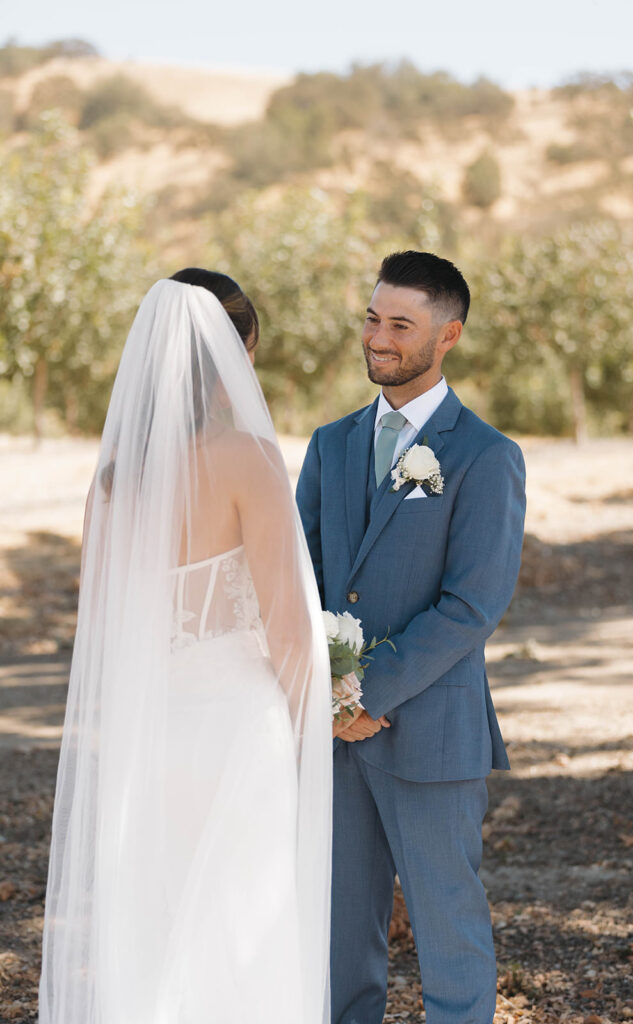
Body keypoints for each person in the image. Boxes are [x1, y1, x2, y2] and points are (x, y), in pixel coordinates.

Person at [39, 269, 332, 1024]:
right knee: (241, 933)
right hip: (239, 731)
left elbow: (104, 628)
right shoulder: (247, 460)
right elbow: (290, 631)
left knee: (161, 928)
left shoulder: (111, 484)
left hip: (152, 734)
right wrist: (310, 744)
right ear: (231, 359)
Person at [296, 250, 526, 1024]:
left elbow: (472, 604)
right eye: (371, 317)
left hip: (430, 735)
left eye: (400, 324)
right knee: (336, 938)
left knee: (448, 933)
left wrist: (366, 690)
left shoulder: (487, 456)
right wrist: (326, 698)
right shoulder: (328, 445)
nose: (378, 337)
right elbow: (300, 579)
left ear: (448, 334)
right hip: (329, 739)